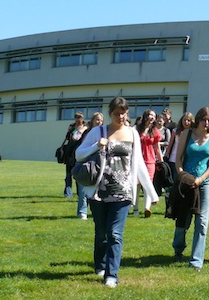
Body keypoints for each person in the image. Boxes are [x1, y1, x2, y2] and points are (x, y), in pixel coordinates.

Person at [75, 97, 158, 288]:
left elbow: (139, 165)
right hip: (99, 191)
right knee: (102, 233)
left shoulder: (132, 134)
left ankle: (112, 275)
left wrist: (151, 193)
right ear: (110, 113)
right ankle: (101, 265)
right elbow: (78, 154)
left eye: (124, 113)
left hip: (123, 192)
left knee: (115, 233)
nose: (121, 116)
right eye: (116, 113)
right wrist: (97, 145)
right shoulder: (98, 131)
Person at [172, 106, 209, 271]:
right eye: (204, 119)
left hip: (205, 182)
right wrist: (181, 174)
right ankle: (178, 248)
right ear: (198, 119)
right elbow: (178, 158)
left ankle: (196, 261)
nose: (206, 123)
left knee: (202, 221)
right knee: (183, 219)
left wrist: (201, 179)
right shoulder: (187, 134)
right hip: (186, 181)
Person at [134, 109, 164, 218]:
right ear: (145, 116)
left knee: (148, 184)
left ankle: (147, 208)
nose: (152, 117)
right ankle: (136, 208)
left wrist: (161, 162)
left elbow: (157, 148)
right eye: (150, 115)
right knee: (136, 184)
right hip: (138, 160)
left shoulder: (155, 131)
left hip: (150, 160)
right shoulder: (137, 129)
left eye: (154, 116)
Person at [76, 112, 104, 220]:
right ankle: (82, 212)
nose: (99, 122)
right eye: (97, 119)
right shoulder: (86, 132)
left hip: (98, 163)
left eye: (101, 120)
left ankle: (94, 211)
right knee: (83, 190)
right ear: (92, 120)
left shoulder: (103, 133)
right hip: (86, 163)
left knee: (96, 189)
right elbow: (78, 142)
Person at [63, 112, 88, 199]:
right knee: (68, 174)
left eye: (80, 117)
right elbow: (68, 139)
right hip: (70, 153)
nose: (78, 119)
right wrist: (71, 130)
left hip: (80, 154)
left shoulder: (86, 128)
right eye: (76, 117)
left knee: (78, 174)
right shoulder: (72, 127)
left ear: (83, 118)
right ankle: (68, 193)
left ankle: (79, 192)